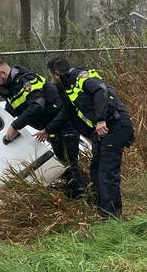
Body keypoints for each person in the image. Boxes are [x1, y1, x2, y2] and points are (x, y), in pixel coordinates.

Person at [38, 57, 134, 219]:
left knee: (106, 173)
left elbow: (100, 91)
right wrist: (47, 130)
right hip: (102, 132)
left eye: (52, 76)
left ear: (56, 73)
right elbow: (66, 113)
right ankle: (103, 213)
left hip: (114, 125)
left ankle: (113, 218)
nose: (51, 81)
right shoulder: (67, 86)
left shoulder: (80, 77)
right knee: (96, 172)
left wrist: (101, 120)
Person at [0, 60, 85, 197]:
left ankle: (83, 196)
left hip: (63, 123)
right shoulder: (12, 91)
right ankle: (78, 195)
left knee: (70, 163)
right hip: (51, 129)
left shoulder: (26, 80)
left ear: (3, 73)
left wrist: (15, 126)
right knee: (64, 163)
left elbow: (37, 105)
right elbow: (6, 115)